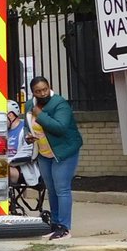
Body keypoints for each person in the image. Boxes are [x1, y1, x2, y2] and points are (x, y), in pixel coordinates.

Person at [26, 75, 84, 240]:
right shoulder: (30, 104)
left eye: (45, 89)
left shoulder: (60, 104)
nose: (43, 93)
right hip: (44, 152)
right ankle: (55, 224)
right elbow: (27, 125)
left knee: (62, 188)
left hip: (64, 152)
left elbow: (60, 128)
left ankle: (64, 228)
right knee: (51, 189)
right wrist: (28, 136)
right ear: (33, 92)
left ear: (49, 87)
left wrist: (40, 114)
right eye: (38, 91)